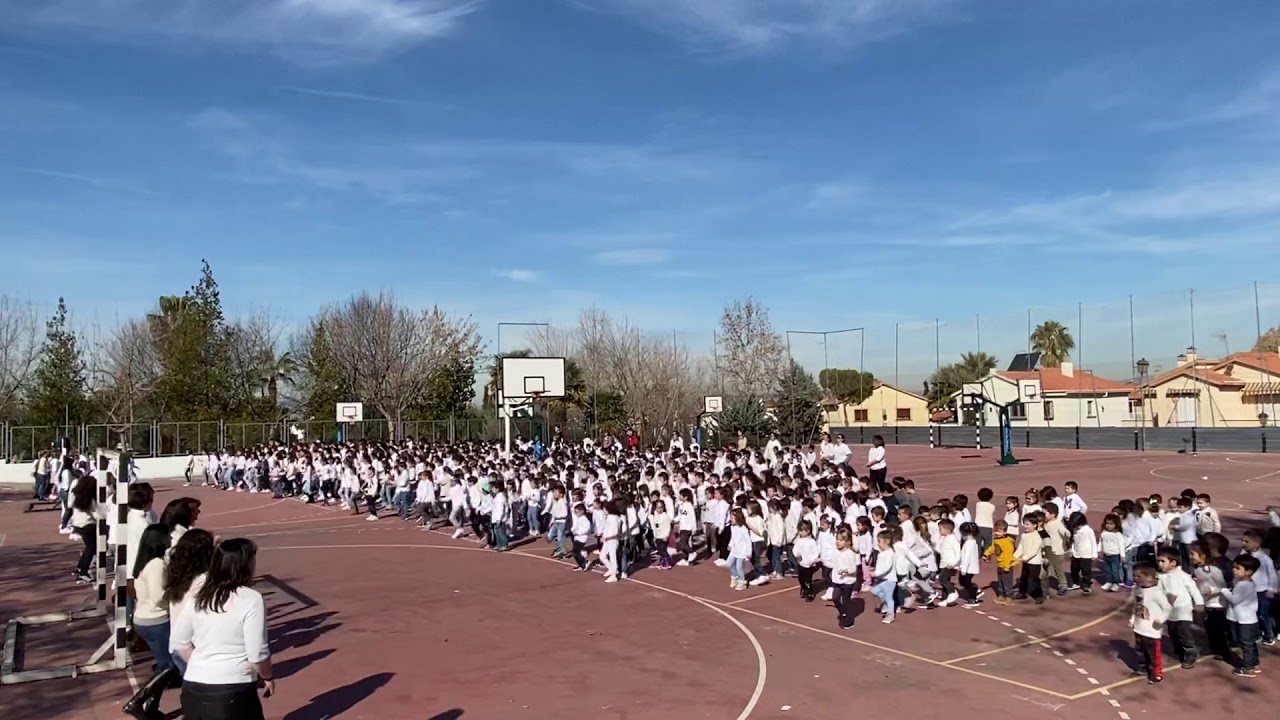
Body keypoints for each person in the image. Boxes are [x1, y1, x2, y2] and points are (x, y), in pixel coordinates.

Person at [172, 538, 273, 720]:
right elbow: (257, 652)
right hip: (233, 689)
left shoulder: (198, 598)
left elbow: (179, 642)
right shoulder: (250, 599)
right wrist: (267, 676)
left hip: (194, 686)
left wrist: (203, 663)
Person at [124, 523, 175, 719]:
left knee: (166, 666)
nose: (170, 540)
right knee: (169, 666)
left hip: (146, 618)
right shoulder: (157, 565)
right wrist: (179, 593)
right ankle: (137, 701)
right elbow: (158, 596)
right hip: (155, 620)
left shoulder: (146, 561)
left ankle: (151, 708)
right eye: (167, 537)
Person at [68, 474, 102, 584]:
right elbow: (97, 514)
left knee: (89, 547)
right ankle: (83, 572)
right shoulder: (90, 499)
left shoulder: (77, 498)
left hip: (78, 524)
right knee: (92, 548)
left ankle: (80, 567)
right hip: (88, 525)